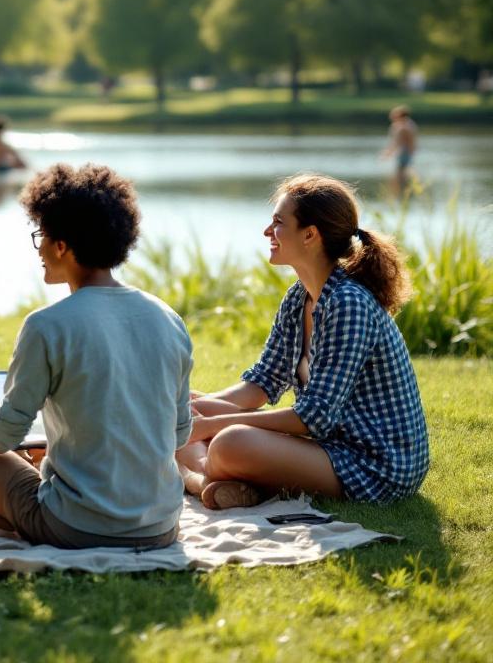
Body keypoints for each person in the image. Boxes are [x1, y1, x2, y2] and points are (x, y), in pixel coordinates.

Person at [0, 163, 192, 549]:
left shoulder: (46, 325)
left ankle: (14, 521)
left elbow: (2, 437)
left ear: (62, 245)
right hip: (160, 527)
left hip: (80, 527)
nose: (38, 249)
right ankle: (10, 517)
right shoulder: (168, 318)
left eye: (41, 236)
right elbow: (179, 434)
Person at [177, 174, 427, 510]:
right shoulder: (299, 298)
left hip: (375, 464)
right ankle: (231, 484)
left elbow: (314, 417)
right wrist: (193, 412)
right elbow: (261, 384)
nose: (268, 232)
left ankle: (196, 479)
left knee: (227, 442)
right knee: (180, 407)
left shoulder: (348, 303)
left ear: (310, 235)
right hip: (331, 444)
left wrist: (214, 424)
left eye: (278, 223)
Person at [381, 105, 417, 192]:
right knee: (404, 172)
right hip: (405, 153)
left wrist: (388, 153)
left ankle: (401, 192)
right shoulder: (408, 124)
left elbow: (398, 142)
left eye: (394, 114)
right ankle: (404, 191)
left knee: (401, 173)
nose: (392, 117)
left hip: (404, 153)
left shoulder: (404, 127)